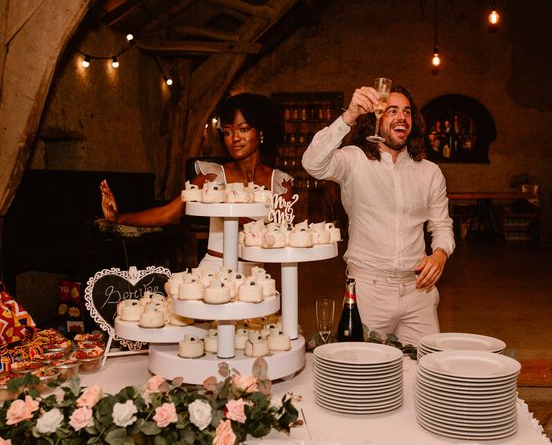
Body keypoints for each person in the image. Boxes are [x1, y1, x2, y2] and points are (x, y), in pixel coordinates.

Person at [301, 84, 455, 346]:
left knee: (426, 370)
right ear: (375, 119)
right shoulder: (354, 161)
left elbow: (441, 225)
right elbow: (313, 163)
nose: (401, 117)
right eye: (392, 110)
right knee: (366, 374)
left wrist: (440, 254)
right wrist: (349, 115)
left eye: (407, 112)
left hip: (418, 289)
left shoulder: (430, 172)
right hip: (368, 288)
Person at [100, 93, 294, 273]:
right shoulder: (212, 177)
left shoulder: (280, 183)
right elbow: (167, 214)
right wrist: (118, 218)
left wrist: (234, 215)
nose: (234, 138)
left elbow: (280, 235)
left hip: (255, 275)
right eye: (227, 132)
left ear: (261, 132)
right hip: (214, 270)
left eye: (243, 129)